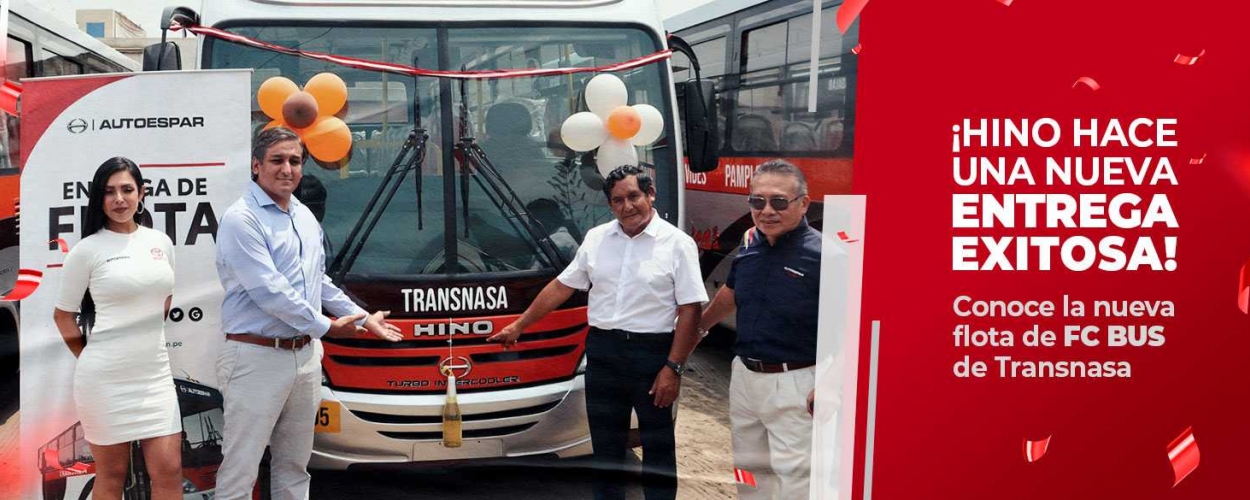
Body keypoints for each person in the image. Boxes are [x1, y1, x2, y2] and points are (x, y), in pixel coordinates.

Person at [488, 165, 707, 500]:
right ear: (610, 205)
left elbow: (691, 309)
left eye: (634, 196)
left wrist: (673, 368)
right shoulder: (597, 238)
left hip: (653, 356)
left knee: (657, 446)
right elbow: (562, 286)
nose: (626, 206)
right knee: (606, 447)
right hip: (604, 353)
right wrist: (520, 325)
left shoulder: (678, 244)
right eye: (617, 200)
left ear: (650, 195)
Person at [214, 127, 403, 500]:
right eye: (277, 160)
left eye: (295, 161)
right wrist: (329, 328)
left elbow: (318, 282)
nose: (287, 169)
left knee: (295, 466)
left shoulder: (302, 215)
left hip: (304, 357)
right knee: (241, 467)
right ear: (256, 165)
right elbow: (271, 292)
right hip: (255, 356)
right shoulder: (242, 219)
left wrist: (364, 318)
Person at [52, 157, 183, 500]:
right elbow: (63, 316)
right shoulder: (87, 251)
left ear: (141, 193)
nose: (119, 199)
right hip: (105, 381)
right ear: (99, 198)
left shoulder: (161, 242)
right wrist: (90, 356)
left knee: (169, 472)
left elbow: (163, 300)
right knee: (111, 477)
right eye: (109, 192)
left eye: (127, 189)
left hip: (155, 379)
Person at [698, 159, 821, 500]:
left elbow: (850, 324)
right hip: (745, 380)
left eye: (779, 202)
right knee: (748, 472)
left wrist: (830, 380)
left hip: (796, 383)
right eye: (757, 201)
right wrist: (697, 329)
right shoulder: (750, 244)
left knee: (796, 482)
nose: (767, 210)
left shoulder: (826, 255)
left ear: (803, 204)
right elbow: (732, 294)